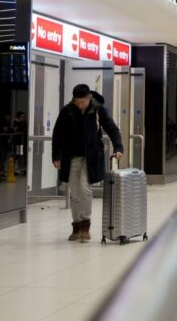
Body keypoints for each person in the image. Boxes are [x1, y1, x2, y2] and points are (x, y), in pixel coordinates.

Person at [52, 84, 124, 243]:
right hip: (71, 157)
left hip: (90, 158)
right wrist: (56, 155)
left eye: (82, 102)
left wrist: (118, 147)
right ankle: (76, 226)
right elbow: (58, 134)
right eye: (77, 102)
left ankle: (85, 225)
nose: (79, 105)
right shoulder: (67, 110)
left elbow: (112, 129)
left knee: (85, 188)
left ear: (89, 97)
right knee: (75, 193)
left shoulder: (98, 110)